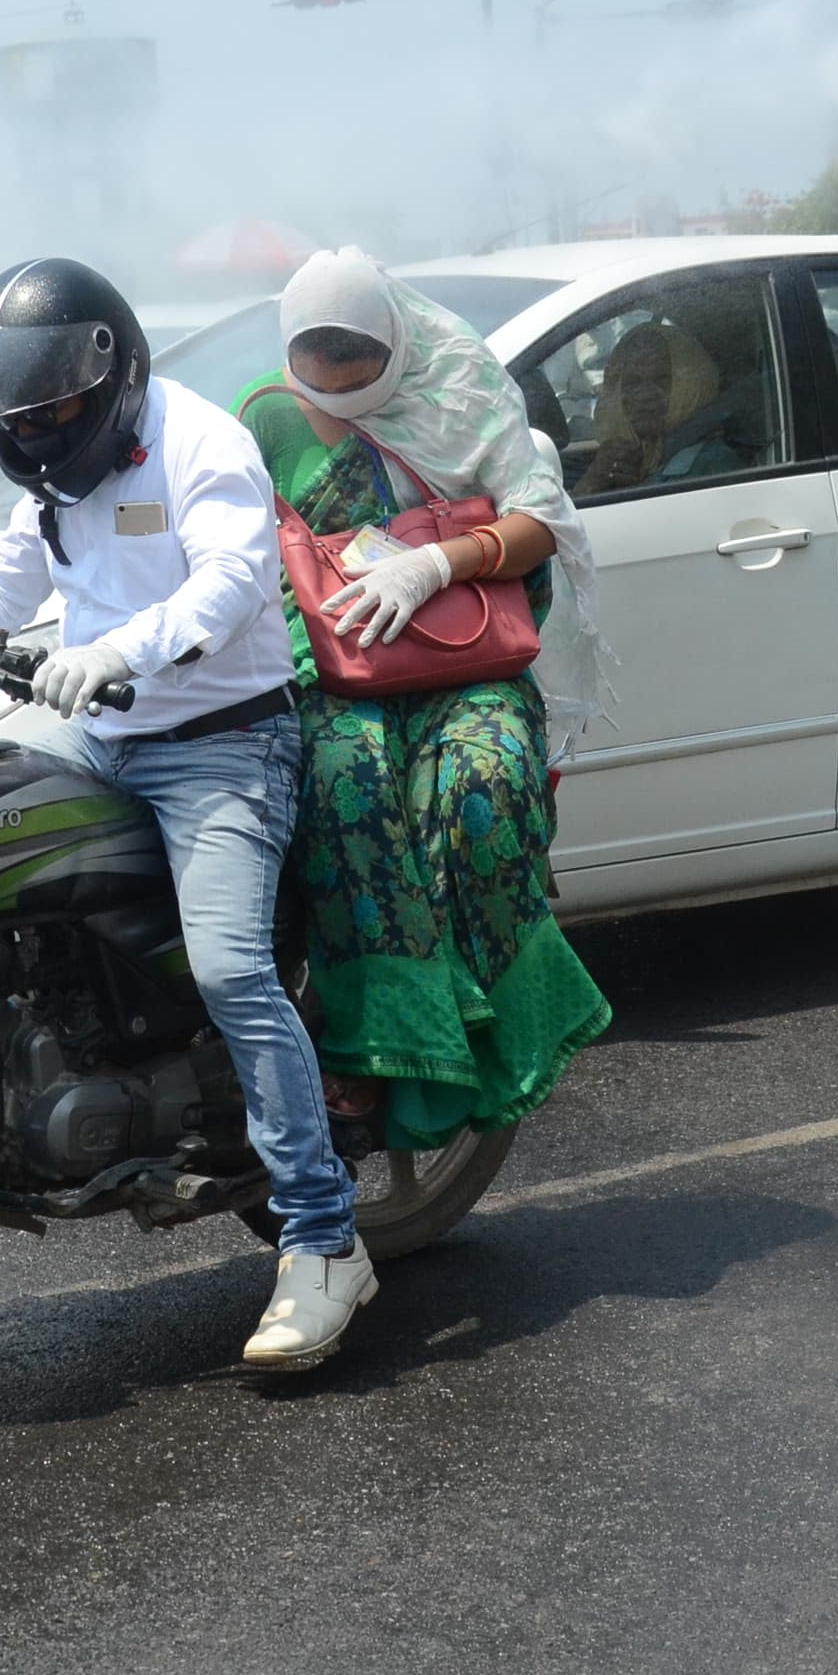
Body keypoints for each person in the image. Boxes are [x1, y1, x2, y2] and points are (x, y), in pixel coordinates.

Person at [0, 258, 372, 1371]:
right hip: (101, 734)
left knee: (232, 971)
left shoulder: (204, 445)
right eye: (13, 416)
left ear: (110, 374)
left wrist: (120, 648)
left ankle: (325, 1239)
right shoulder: (53, 477)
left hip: (224, 746)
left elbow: (229, 588)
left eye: (48, 409)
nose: (30, 430)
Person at [238, 247, 614, 1154]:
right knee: (344, 785)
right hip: (338, 667)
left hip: (467, 661)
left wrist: (438, 562)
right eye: (320, 379)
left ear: (397, 343)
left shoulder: (460, 393)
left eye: (360, 375)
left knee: (484, 786)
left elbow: (542, 523)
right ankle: (381, 1040)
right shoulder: (264, 418)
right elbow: (232, 548)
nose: (341, 398)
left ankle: (491, 1025)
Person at [585, 322, 745, 490]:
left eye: (661, 380)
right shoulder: (631, 460)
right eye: (633, 382)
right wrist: (595, 480)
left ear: (693, 386)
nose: (645, 395)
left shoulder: (713, 464)